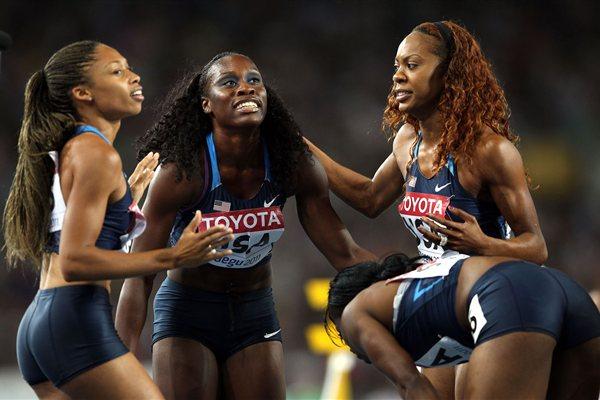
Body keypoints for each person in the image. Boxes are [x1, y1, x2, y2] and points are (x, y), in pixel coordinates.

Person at [305, 20, 548, 396]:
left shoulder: (490, 151)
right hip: (437, 300)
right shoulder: (408, 141)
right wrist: (300, 146)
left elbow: (536, 248)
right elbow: (369, 198)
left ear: (449, 75)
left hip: (489, 297)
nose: (398, 77)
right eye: (396, 67)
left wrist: (482, 243)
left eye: (412, 66)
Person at [115, 52, 375, 400]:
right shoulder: (181, 173)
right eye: (229, 82)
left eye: (254, 81)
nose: (246, 89)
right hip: (188, 312)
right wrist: (120, 363)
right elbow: (139, 276)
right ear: (206, 104)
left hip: (254, 311)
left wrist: (405, 285)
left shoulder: (293, 163)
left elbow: (345, 253)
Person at [3, 41, 234, 400]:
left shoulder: (73, 147)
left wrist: (126, 201)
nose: (134, 76)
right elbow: (77, 260)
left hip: (44, 321)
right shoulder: (95, 152)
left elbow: (72, 232)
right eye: (117, 72)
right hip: (75, 321)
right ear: (83, 93)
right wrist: (175, 257)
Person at [326, 252, 600, 399]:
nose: (351, 346)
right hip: (565, 292)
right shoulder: (415, 294)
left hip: (509, 295)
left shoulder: (354, 314)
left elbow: (413, 386)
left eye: (341, 335)